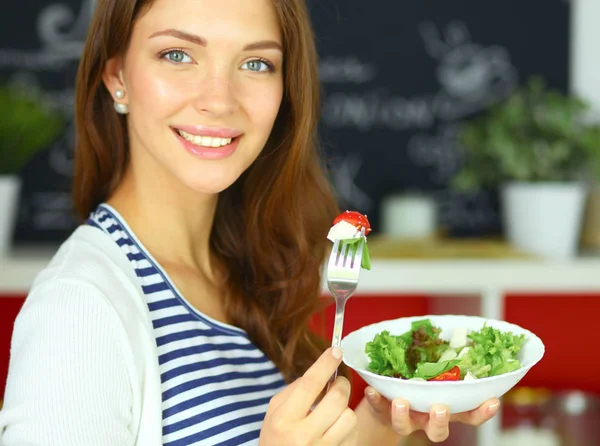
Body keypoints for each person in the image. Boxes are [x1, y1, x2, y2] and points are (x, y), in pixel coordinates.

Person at [0, 0, 500, 444]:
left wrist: (382, 425)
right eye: (177, 55)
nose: (219, 100)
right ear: (117, 77)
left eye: (257, 63)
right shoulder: (79, 308)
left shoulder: (244, 267)